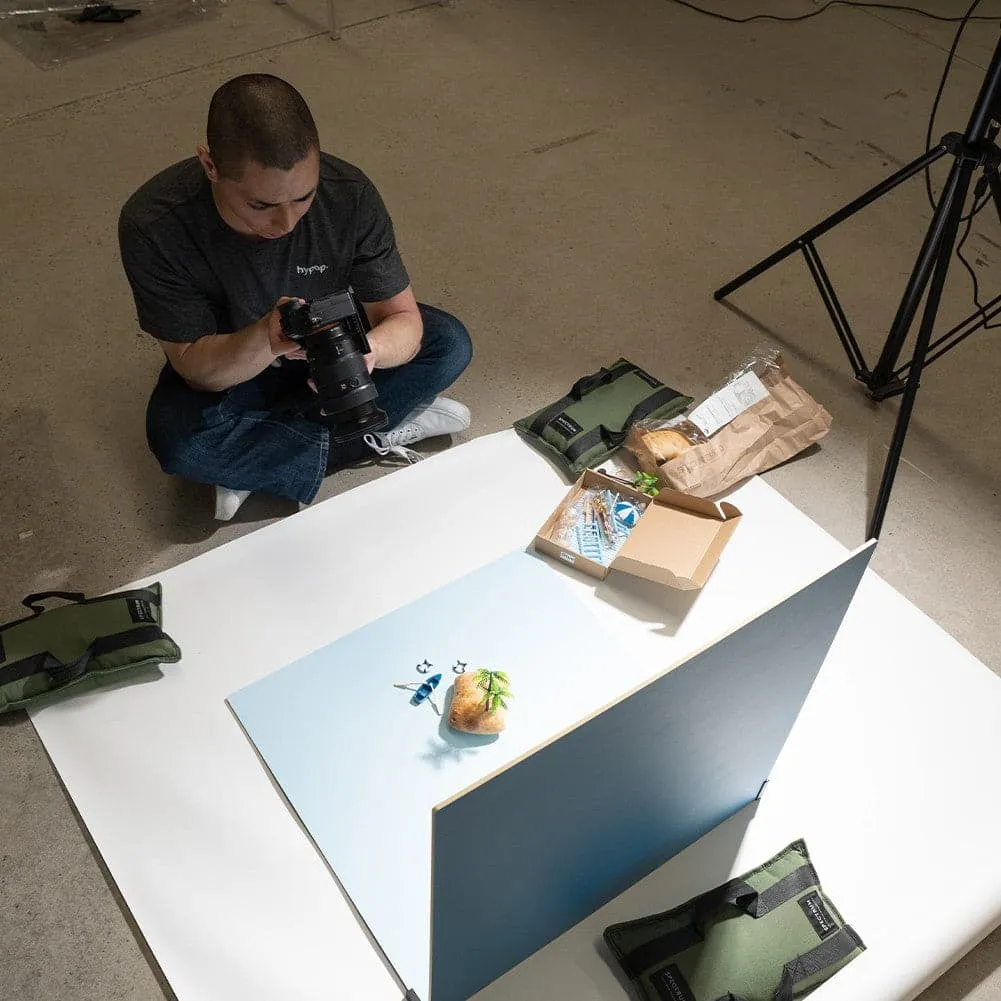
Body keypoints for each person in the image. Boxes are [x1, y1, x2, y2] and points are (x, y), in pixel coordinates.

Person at [119, 74, 472, 520]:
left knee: (449, 343)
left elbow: (402, 318)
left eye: (303, 197)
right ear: (210, 166)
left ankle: (260, 462)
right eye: (260, 206)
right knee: (180, 443)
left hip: (332, 347)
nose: (286, 223)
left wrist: (370, 353)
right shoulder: (155, 224)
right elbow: (195, 368)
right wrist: (266, 340)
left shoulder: (348, 196)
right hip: (235, 358)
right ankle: (366, 433)